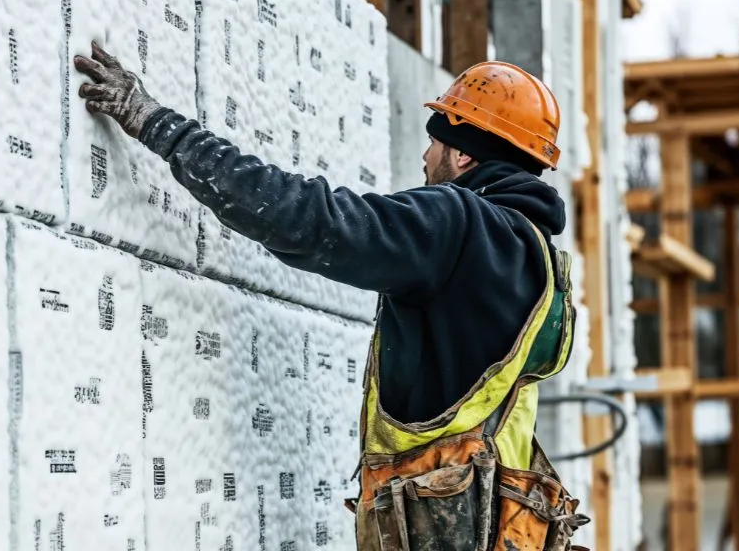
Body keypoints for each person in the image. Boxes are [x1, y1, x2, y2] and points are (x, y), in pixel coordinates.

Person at [74, 42, 589, 550]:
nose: (424, 156)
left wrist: (157, 124)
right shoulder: (542, 264)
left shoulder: (458, 227)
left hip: (442, 527)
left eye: (434, 142)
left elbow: (309, 219)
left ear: (463, 153)